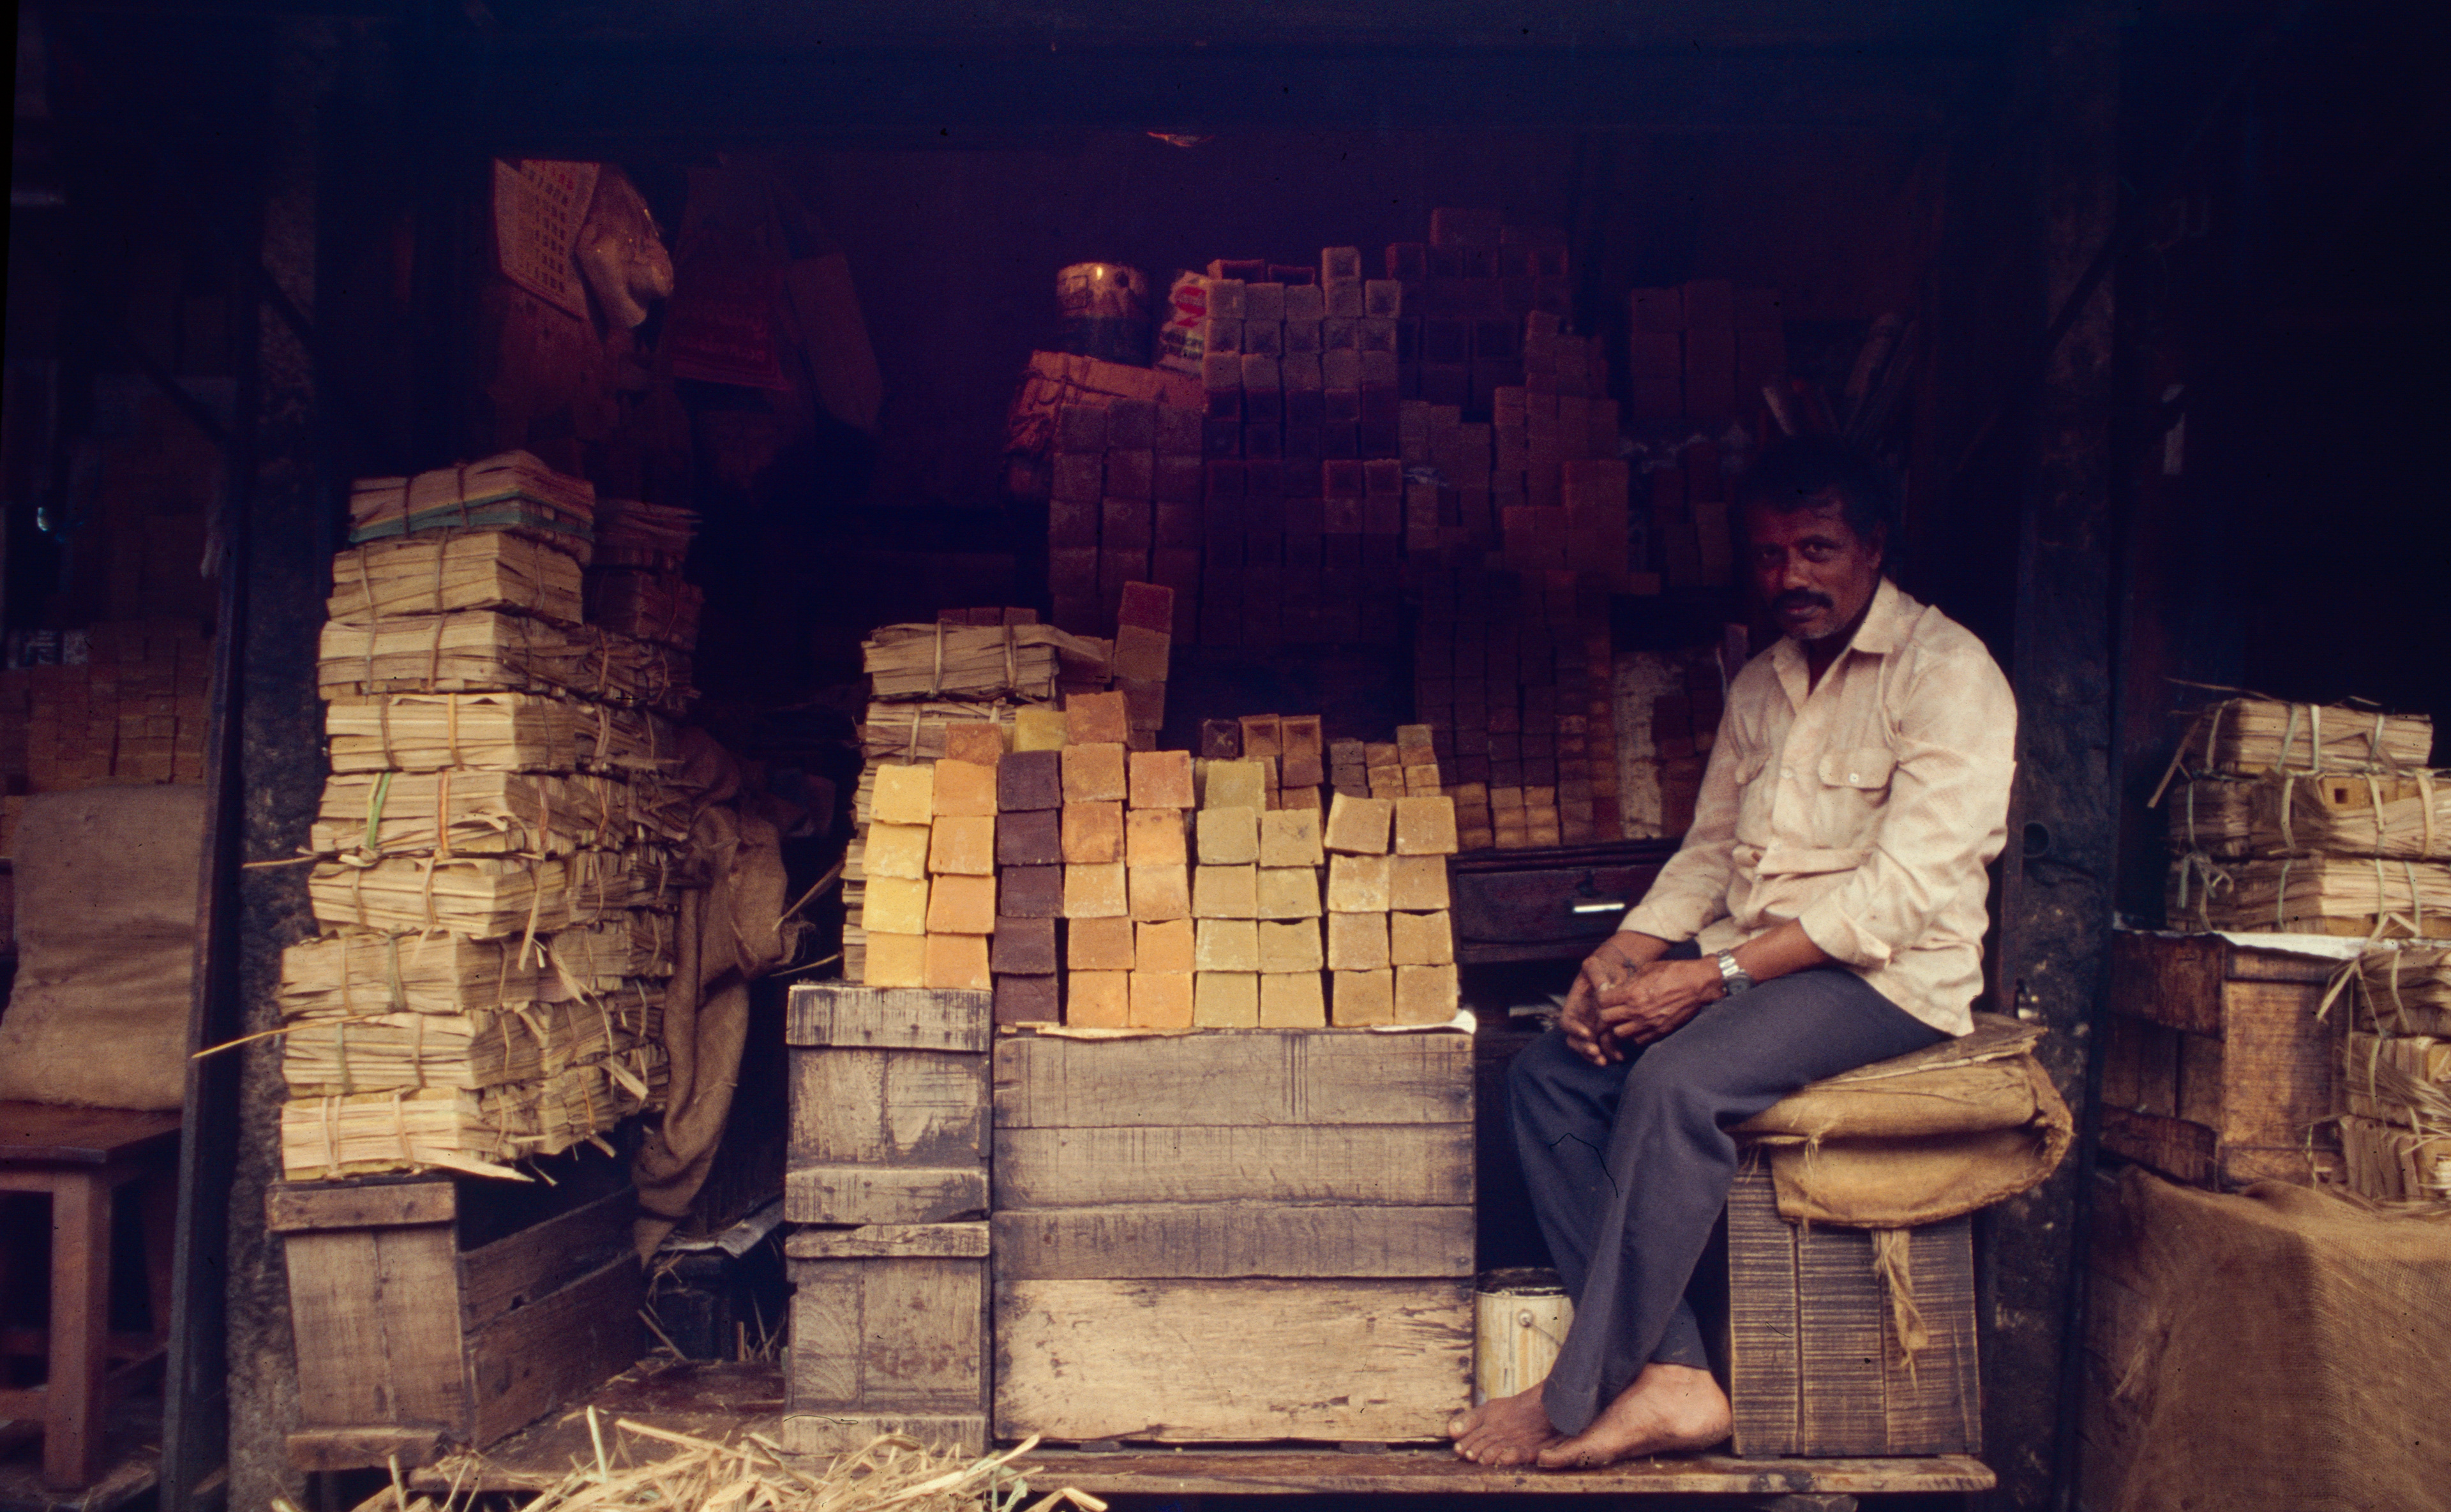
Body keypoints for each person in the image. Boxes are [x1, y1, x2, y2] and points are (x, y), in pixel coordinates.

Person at [1449, 437, 2018, 1469]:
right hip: (1757, 958)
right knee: (1548, 1077)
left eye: (1815, 548)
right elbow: (1711, 849)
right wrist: (1622, 955)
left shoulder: (1950, 674)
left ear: (1873, 546)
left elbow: (1902, 894)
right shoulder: (1761, 682)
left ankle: (1579, 1391)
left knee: (1677, 1079)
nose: (1788, 577)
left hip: (1887, 975)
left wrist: (1708, 978)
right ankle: (1670, 1373)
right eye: (1767, 555)